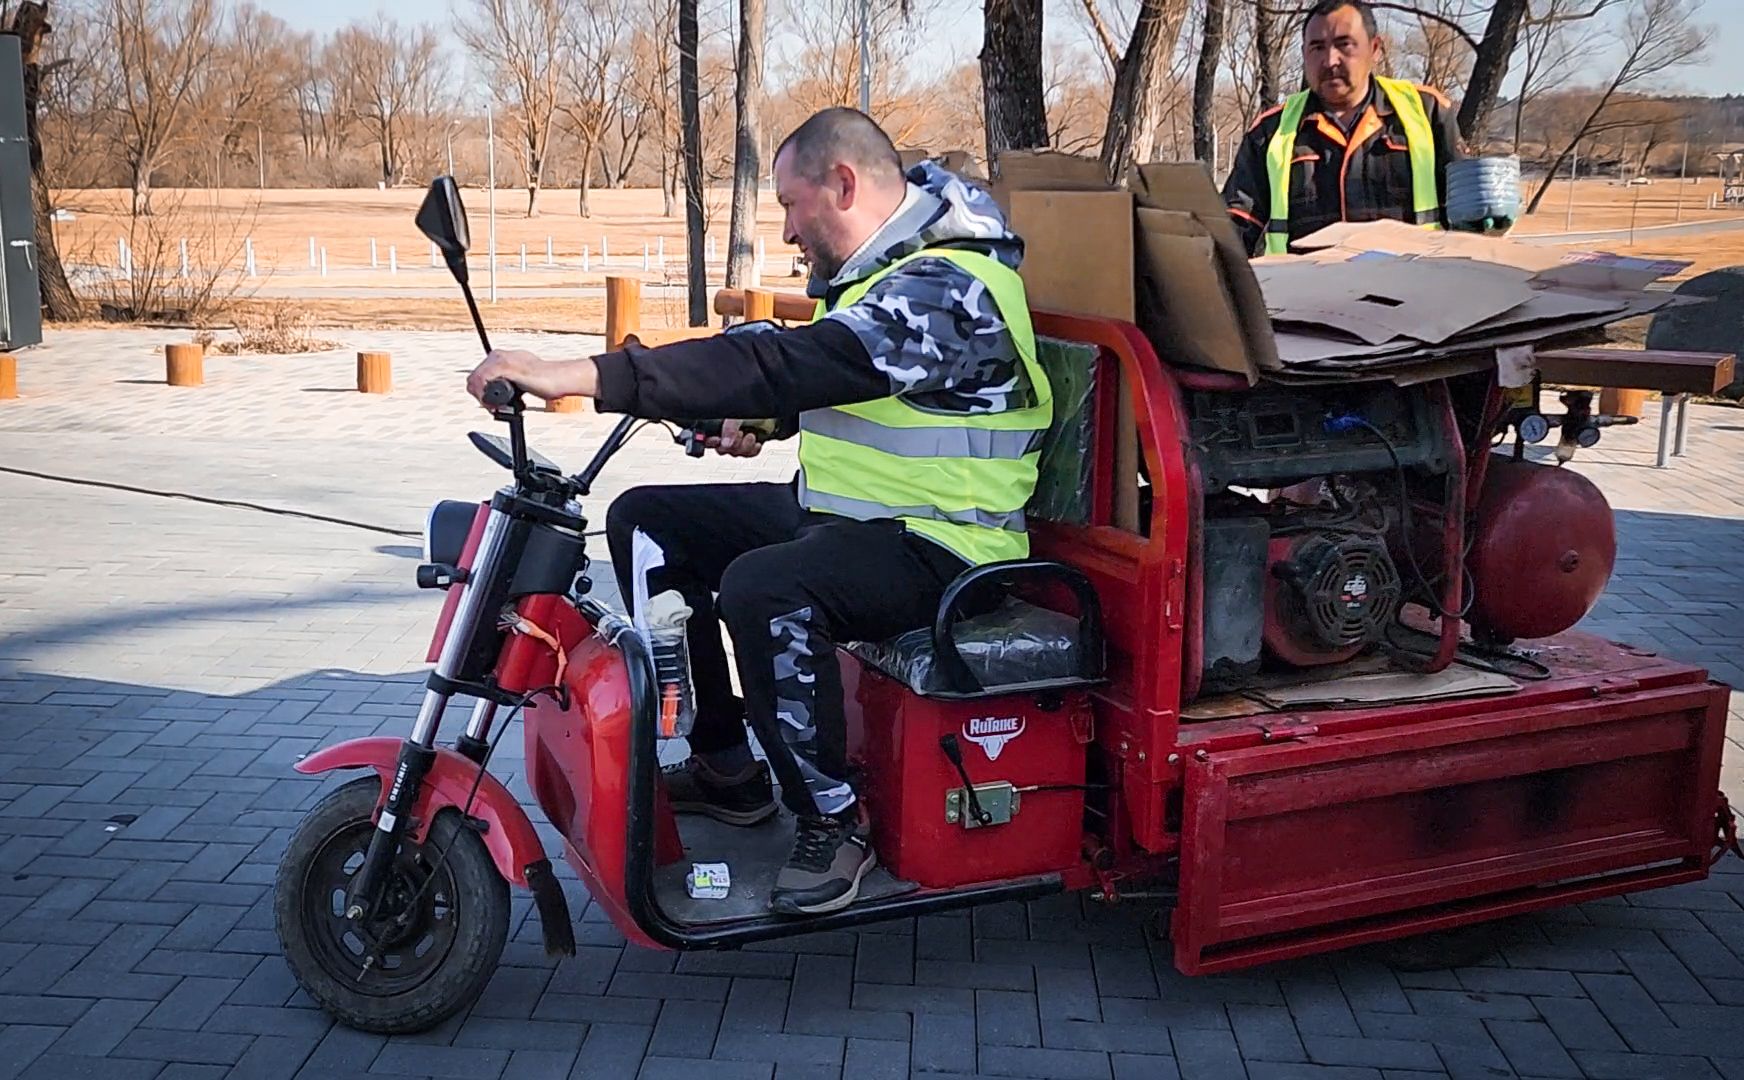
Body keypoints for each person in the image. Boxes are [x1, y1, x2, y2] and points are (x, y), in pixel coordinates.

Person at [464, 108, 1052, 916]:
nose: (784, 231)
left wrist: (579, 374)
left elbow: (785, 361)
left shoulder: (950, 288)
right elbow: (842, 381)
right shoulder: (889, 275)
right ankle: (727, 769)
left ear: (842, 185)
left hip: (950, 548)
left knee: (763, 587)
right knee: (647, 520)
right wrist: (763, 419)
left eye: (788, 204)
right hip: (854, 520)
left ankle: (834, 822)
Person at [1222, 0, 1464, 257]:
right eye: (1317, 47)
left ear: (1375, 48)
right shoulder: (1271, 132)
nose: (1330, 60)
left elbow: (1468, 212)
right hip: (1305, 291)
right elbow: (1234, 227)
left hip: (1412, 290)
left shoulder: (1426, 113)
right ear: (1304, 53)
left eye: (1344, 44)